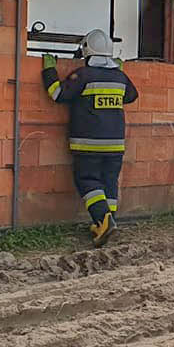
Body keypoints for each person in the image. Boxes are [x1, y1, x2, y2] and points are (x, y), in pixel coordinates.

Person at [41, 29, 138, 246]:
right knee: (109, 183)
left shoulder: (84, 75)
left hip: (88, 144)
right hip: (115, 145)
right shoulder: (120, 77)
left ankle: (103, 220)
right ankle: (107, 223)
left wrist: (49, 70)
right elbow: (131, 95)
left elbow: (58, 94)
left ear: (87, 52)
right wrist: (119, 73)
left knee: (87, 180)